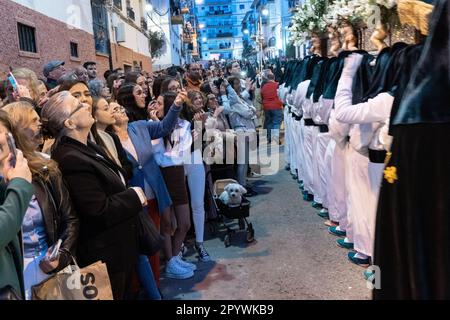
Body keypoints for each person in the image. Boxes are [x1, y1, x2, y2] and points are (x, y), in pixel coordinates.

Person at [41, 91, 147, 300]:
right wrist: (134, 196)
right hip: (105, 257)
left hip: (119, 249)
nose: (85, 104)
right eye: (78, 104)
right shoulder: (70, 157)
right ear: (70, 123)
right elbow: (97, 210)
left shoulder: (85, 146)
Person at [3, 102, 79, 299]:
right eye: (33, 120)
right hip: (14, 274)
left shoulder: (45, 166)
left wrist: (61, 256)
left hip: (50, 266)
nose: (40, 125)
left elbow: (69, 219)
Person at [152, 92, 197, 279]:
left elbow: (181, 154)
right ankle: (170, 260)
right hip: (161, 176)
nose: (156, 106)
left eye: (160, 103)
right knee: (168, 224)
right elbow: (158, 157)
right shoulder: (154, 127)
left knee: (185, 222)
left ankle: (175, 257)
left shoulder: (184, 124)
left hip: (177, 174)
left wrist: (168, 156)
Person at [260, 70, 283, 143]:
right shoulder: (277, 85)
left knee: (269, 122)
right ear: (274, 78)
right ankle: (275, 138)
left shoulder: (263, 87)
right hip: (276, 106)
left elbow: (261, 96)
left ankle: (269, 138)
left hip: (266, 107)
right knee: (276, 123)